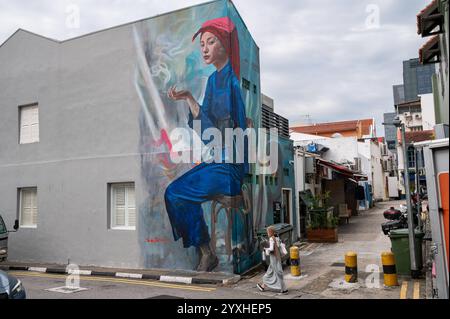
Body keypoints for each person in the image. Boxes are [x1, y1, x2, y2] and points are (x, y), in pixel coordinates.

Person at [164, 17, 247, 272]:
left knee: (175, 192)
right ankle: (205, 251)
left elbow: (228, 134)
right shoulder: (213, 81)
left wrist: (222, 148)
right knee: (174, 193)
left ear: (225, 44)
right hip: (217, 162)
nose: (205, 48)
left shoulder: (233, 83)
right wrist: (189, 97)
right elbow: (206, 130)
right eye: (202, 44)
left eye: (211, 41)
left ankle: (206, 253)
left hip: (230, 166)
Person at [257, 226, 288, 294]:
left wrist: (265, 249)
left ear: (270, 232)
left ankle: (284, 289)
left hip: (274, 258)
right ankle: (263, 286)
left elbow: (271, 249)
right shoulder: (277, 238)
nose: (267, 233)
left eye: (268, 232)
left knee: (277, 272)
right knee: (270, 272)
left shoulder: (271, 238)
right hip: (277, 257)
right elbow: (278, 246)